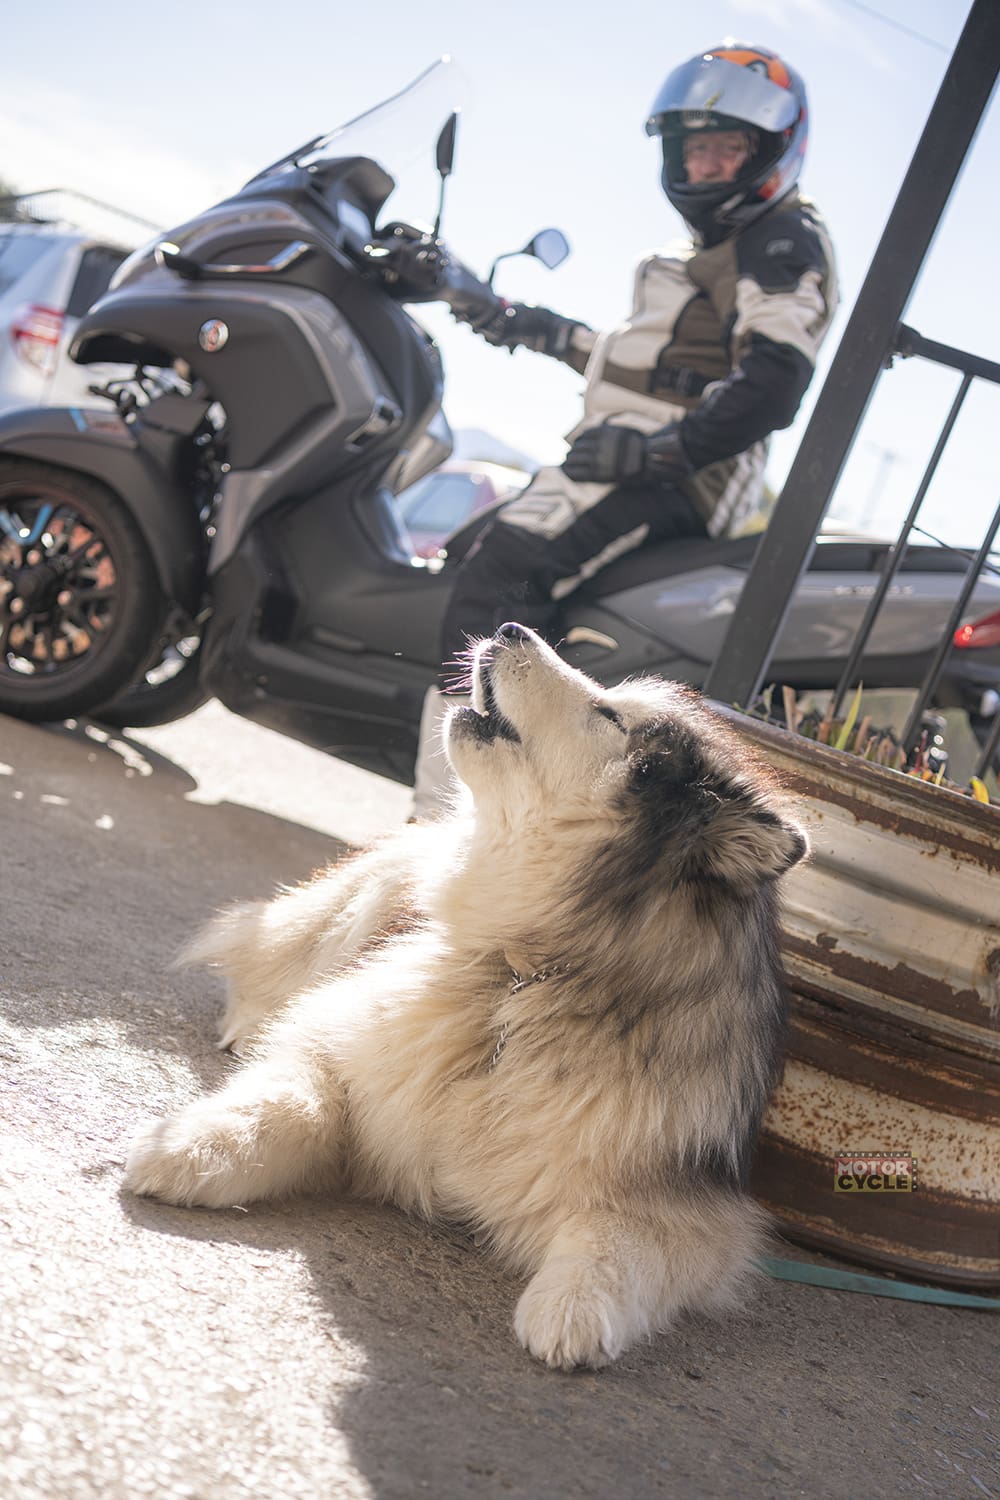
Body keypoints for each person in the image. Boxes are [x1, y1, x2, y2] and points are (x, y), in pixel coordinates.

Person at [412, 42, 838, 815]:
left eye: (726, 148)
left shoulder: (779, 239)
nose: (705, 166)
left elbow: (773, 383)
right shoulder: (706, 255)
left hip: (674, 476)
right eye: (693, 149)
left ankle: (451, 823)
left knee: (498, 584)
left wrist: (657, 453)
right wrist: (518, 321)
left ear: (772, 150)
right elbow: (648, 369)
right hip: (625, 459)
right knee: (473, 554)